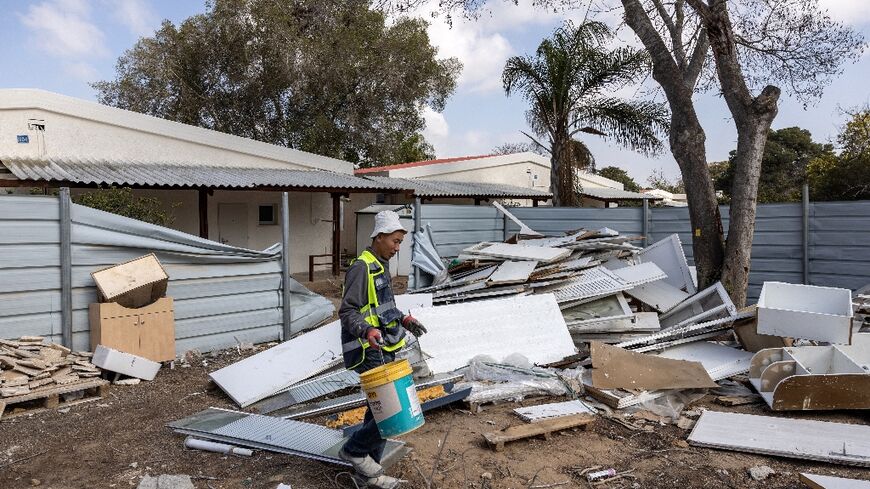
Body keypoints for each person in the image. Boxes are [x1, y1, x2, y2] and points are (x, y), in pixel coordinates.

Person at [338, 210, 427, 488]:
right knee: (390, 411)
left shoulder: (380, 266)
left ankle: (369, 474)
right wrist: (366, 330)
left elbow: (383, 306)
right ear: (379, 237)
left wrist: (404, 318)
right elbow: (347, 310)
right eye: (395, 241)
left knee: (376, 410)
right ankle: (353, 451)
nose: (397, 247)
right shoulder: (361, 268)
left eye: (400, 242)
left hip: (385, 347)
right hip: (368, 350)